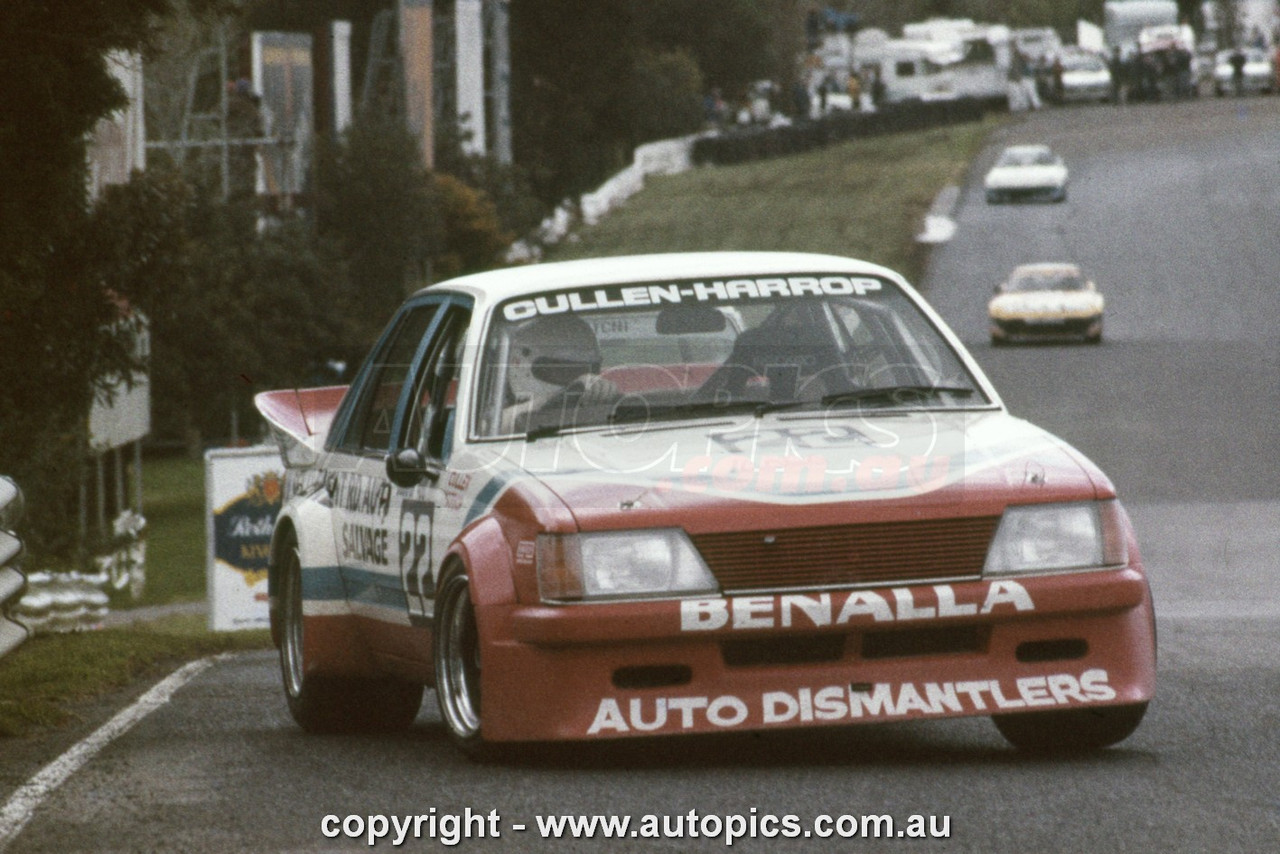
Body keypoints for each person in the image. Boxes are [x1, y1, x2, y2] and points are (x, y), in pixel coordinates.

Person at [500, 314, 619, 433]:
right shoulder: (494, 398)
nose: (583, 379)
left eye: (588, 370)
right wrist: (559, 396)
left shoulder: (596, 409)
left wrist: (609, 396)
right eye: (565, 372)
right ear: (519, 362)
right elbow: (490, 426)